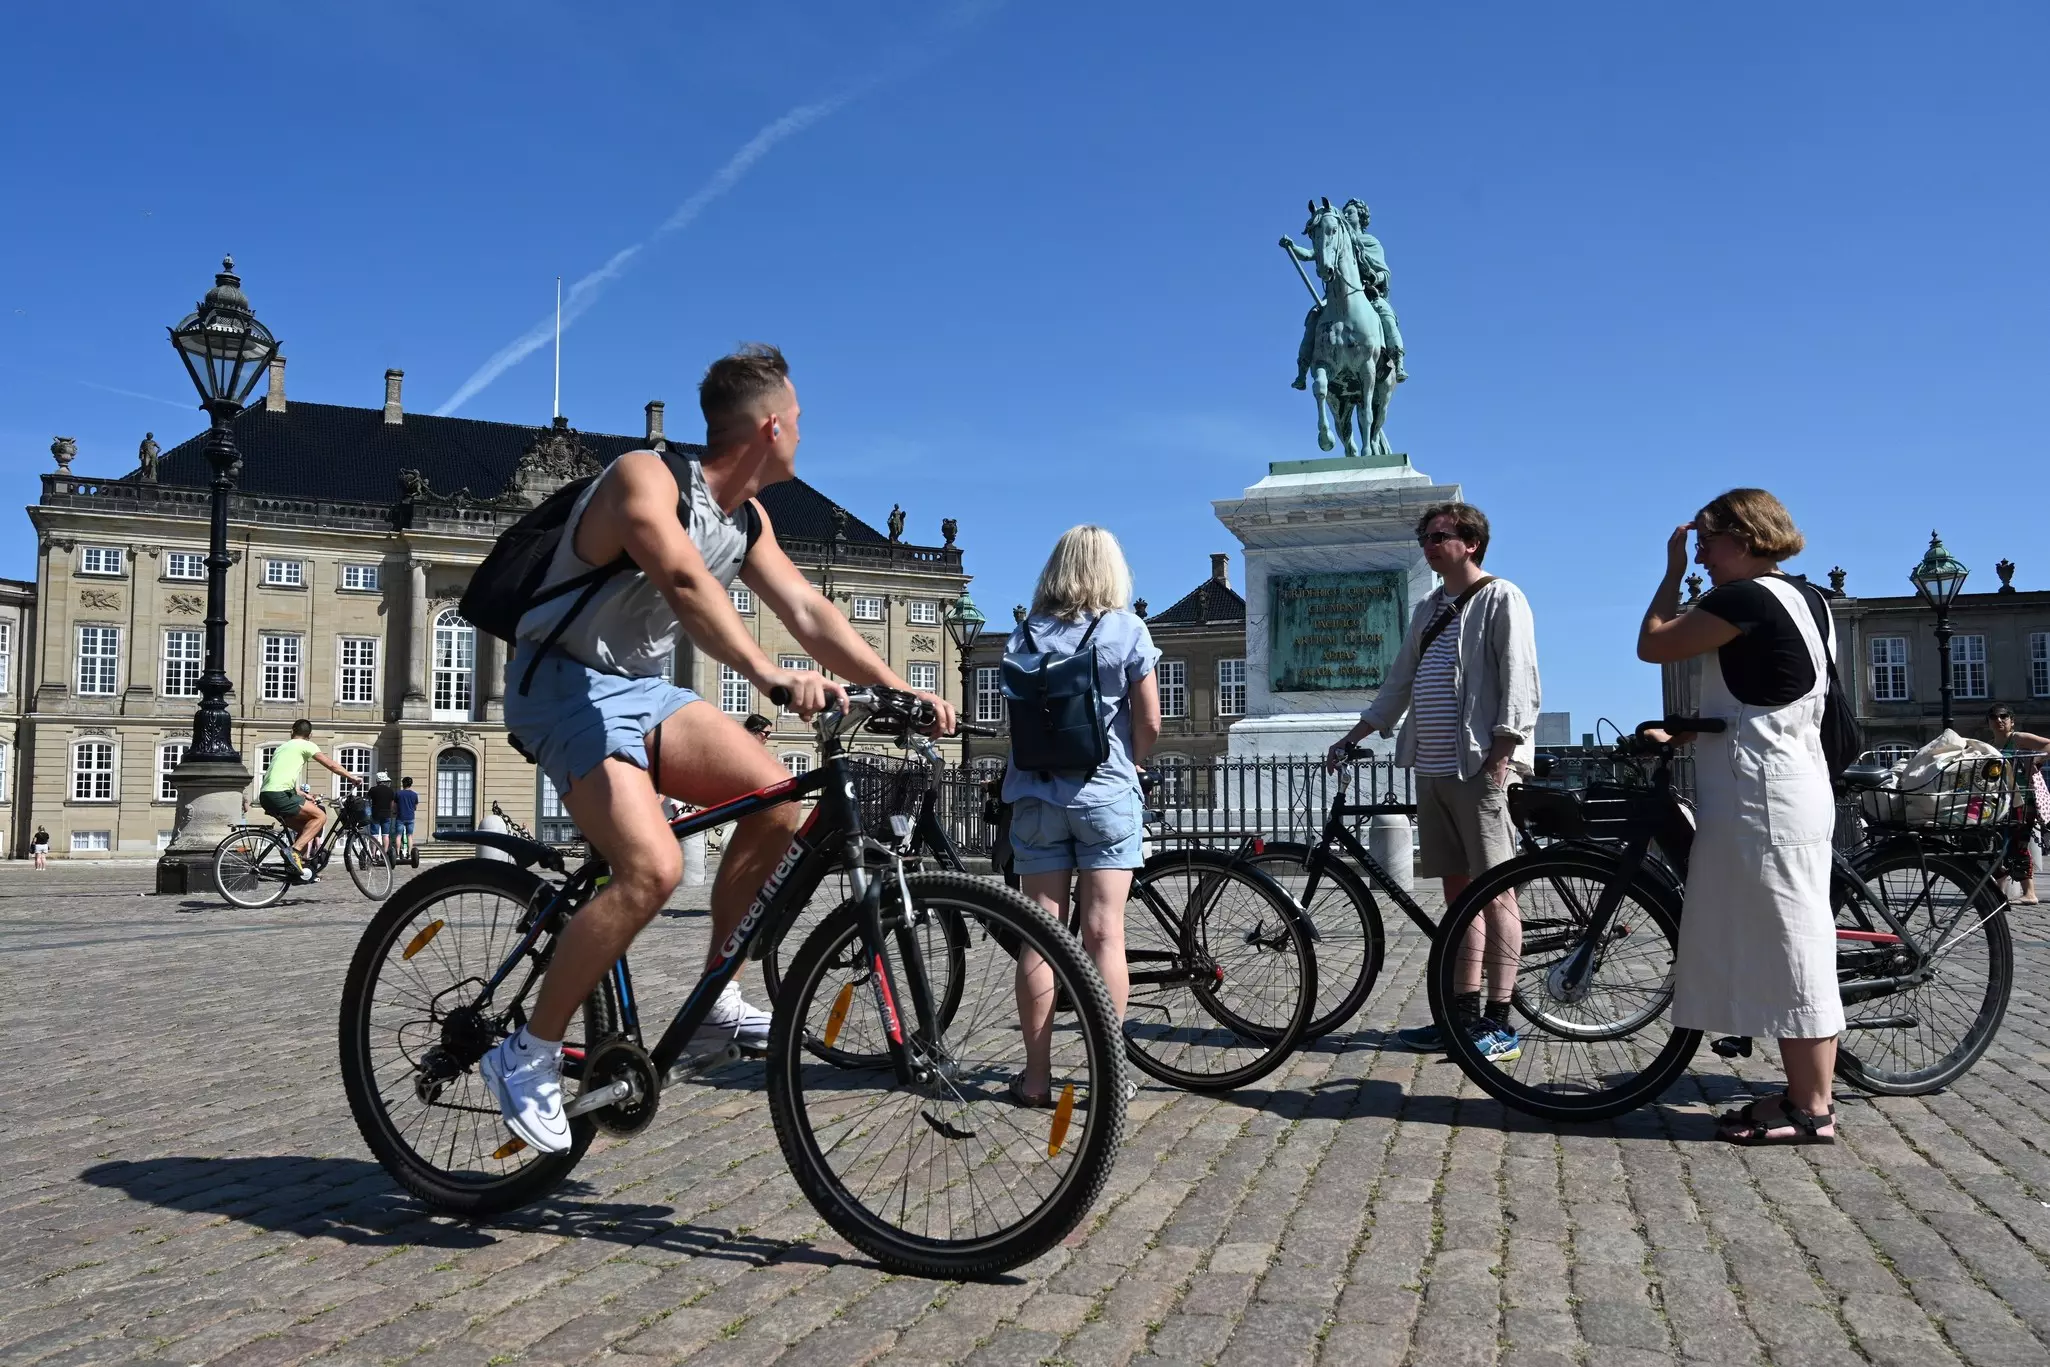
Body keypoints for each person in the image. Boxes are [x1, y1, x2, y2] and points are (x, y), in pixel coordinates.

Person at [481, 343, 954, 1154]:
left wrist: (897, 689)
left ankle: (716, 999)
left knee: (777, 801)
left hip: (641, 693)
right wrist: (769, 675)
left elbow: (809, 609)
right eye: (799, 419)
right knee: (652, 868)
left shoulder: (746, 520)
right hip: (561, 683)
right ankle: (525, 1049)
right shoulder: (643, 478)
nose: (804, 431)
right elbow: (684, 581)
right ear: (771, 427)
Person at [1638, 488, 1844, 1144]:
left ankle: (1811, 1108)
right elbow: (1765, 695)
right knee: (1783, 936)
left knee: (1793, 942)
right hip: (1790, 779)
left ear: (1746, 537)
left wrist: (1670, 571)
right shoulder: (1807, 598)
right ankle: (1802, 1095)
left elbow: (1653, 643)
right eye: (1696, 544)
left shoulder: (1742, 599)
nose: (1700, 553)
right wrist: (1685, 731)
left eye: (1708, 540)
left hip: (1763, 795)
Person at [1328, 501, 1540, 1061]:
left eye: (1439, 535)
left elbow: (1520, 679)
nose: (1428, 545)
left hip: (1480, 768)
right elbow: (1398, 683)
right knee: (1458, 896)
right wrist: (1353, 735)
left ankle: (1501, 1021)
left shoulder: (1501, 597)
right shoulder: (1427, 608)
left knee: (1496, 895)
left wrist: (1503, 754)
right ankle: (1461, 1018)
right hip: (1434, 769)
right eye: (1424, 536)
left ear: (1471, 542)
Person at [1002, 526, 1159, 1107]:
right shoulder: (1126, 629)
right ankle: (1108, 1079)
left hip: (1036, 797)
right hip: (1105, 793)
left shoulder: (1024, 633)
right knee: (1104, 933)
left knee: (1041, 937)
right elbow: (1150, 721)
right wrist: (1132, 765)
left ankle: (1036, 1080)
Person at [257, 720, 363, 881]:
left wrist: (303, 794)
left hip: (266, 795)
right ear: (310, 735)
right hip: (281, 795)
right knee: (320, 816)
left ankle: (298, 869)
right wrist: (351, 777)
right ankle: (294, 851)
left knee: (305, 829)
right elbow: (331, 765)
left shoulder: (281, 748)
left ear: (292, 731)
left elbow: (279, 776)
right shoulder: (307, 745)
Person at [1986, 705, 2050, 903]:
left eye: (2004, 716)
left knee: (2019, 843)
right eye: (1994, 717)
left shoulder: (2017, 738)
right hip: (2000, 802)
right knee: (1995, 844)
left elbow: (2048, 744)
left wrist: (2035, 761)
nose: (1999, 720)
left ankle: (2029, 893)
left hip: (2022, 799)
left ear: (2011, 721)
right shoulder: (1990, 747)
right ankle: (2000, 886)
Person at [366, 771, 399, 862]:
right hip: (387, 814)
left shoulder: (373, 790)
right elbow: (392, 804)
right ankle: (383, 854)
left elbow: (367, 801)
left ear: (377, 781)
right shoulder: (390, 790)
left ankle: (373, 855)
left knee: (374, 835)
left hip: (375, 814)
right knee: (386, 835)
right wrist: (390, 811)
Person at [393, 778, 419, 861]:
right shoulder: (414, 794)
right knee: (409, 836)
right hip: (410, 817)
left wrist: (395, 811)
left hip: (400, 817)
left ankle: (397, 854)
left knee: (398, 835)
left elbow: (395, 806)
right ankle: (409, 854)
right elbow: (415, 807)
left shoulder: (398, 793)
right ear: (411, 784)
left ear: (403, 784)